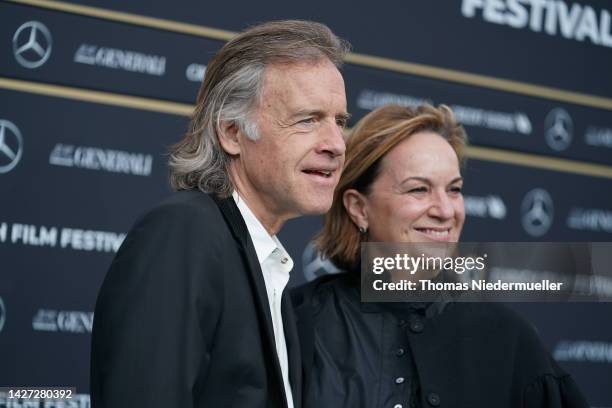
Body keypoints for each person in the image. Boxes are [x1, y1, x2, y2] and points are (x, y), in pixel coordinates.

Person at [90, 20, 350, 408]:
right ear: (231, 133)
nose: (335, 144)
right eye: (307, 119)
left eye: (340, 121)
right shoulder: (184, 231)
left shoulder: (259, 258)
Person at [292, 104, 588, 408]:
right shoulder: (297, 324)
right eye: (419, 189)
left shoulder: (508, 339)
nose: (446, 211)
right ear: (358, 207)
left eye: (454, 189)